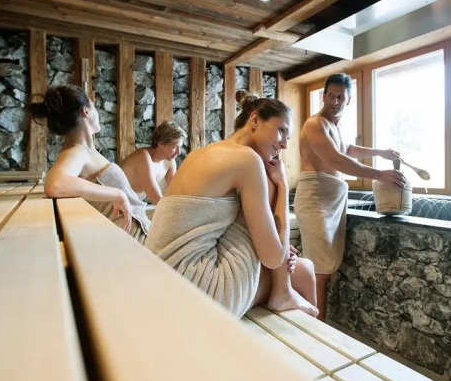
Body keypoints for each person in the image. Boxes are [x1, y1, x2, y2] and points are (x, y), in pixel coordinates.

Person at [145, 92, 318, 319]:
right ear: (255, 120)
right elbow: (274, 258)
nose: (285, 144)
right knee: (304, 270)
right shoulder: (248, 160)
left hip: (164, 280)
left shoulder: (201, 153)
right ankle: (283, 292)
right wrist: (283, 185)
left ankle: (284, 290)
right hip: (199, 291)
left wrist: (279, 244)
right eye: (282, 130)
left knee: (304, 268)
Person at [295, 73, 406, 320]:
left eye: (340, 97)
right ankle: (315, 330)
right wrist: (380, 174)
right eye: (331, 96)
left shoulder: (337, 127)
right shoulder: (315, 124)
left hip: (333, 201)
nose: (335, 101)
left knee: (326, 268)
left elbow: (347, 149)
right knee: (319, 269)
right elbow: (336, 159)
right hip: (315, 198)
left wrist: (380, 152)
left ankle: (316, 323)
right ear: (324, 96)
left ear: (348, 99)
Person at [28, 84, 151, 242]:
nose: (97, 113)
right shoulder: (76, 151)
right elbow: (55, 185)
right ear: (85, 111)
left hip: (142, 233)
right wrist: (118, 194)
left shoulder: (84, 151)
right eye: (94, 107)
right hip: (137, 242)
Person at [120, 121, 186, 205]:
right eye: (174, 147)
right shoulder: (143, 157)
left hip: (131, 204)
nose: (178, 152)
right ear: (161, 143)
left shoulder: (169, 161)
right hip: (113, 204)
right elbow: (156, 198)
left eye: (180, 147)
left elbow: (176, 191)